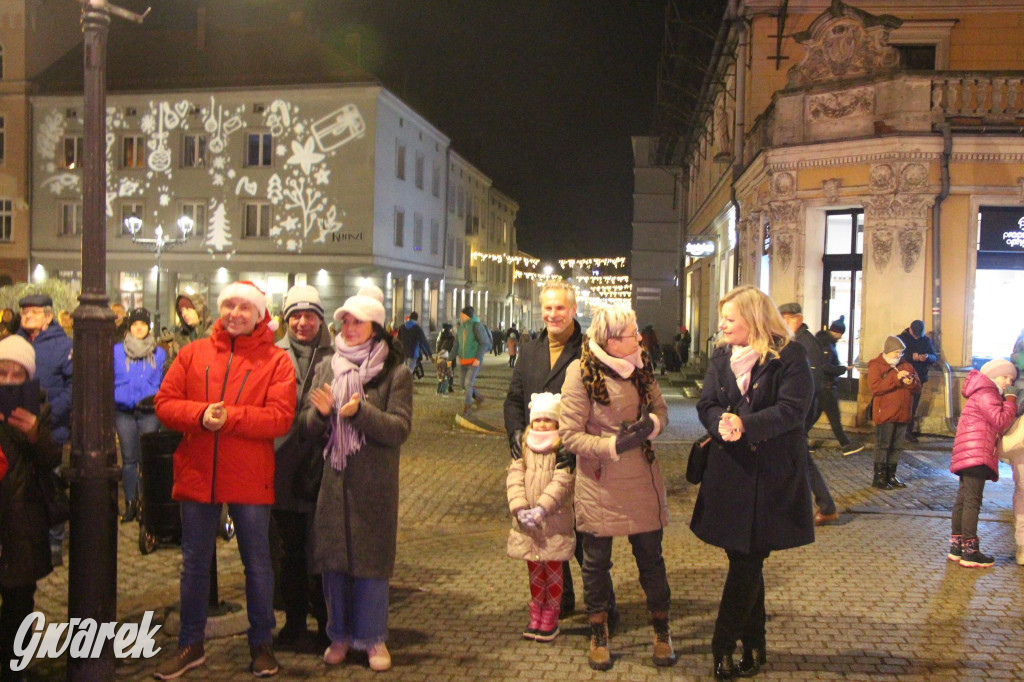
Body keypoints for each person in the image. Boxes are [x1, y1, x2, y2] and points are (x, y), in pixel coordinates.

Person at [153, 281, 295, 680]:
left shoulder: (275, 361)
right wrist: (199, 415)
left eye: (244, 307)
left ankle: (261, 643)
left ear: (258, 315)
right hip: (199, 473)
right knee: (194, 564)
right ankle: (191, 643)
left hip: (250, 476)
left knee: (258, 564)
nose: (235, 313)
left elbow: (281, 417)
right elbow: (164, 403)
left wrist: (229, 417)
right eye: (228, 305)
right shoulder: (193, 353)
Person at [693, 285, 815, 680]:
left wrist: (746, 424)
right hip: (731, 472)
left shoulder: (790, 356)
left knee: (748, 560)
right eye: (722, 318)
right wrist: (719, 423)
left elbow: (794, 410)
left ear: (754, 319)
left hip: (772, 475)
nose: (722, 325)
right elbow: (707, 402)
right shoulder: (721, 357)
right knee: (745, 558)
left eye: (730, 318)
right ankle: (756, 642)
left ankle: (722, 646)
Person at [300, 284, 413, 672]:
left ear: (375, 328)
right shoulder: (324, 367)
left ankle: (372, 638)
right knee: (334, 564)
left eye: (358, 322)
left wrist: (360, 412)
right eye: (344, 321)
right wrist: (321, 413)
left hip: (373, 485)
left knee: (370, 565)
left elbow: (399, 428)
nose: (349, 327)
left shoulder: (395, 373)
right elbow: (306, 426)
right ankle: (340, 635)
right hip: (333, 482)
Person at [559, 305, 675, 671]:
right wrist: (612, 446)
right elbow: (569, 435)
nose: (638, 338)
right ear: (611, 341)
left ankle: (661, 630)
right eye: (631, 334)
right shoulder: (580, 373)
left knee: (651, 561)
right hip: (600, 483)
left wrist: (650, 426)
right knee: (595, 563)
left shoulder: (643, 367)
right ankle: (598, 632)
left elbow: (662, 412)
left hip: (642, 479)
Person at [504, 280, 608, 622]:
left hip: (575, 457)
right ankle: (559, 600)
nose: (552, 314)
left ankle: (602, 606)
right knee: (545, 530)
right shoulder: (530, 350)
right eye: (547, 307)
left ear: (574, 310)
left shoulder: (588, 349)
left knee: (583, 537)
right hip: (537, 459)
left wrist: (576, 442)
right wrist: (516, 432)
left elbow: (599, 403)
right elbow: (514, 398)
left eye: (560, 308)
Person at [271, 285, 333, 652]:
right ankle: (294, 623)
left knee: (321, 551)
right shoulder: (272, 354)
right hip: (281, 467)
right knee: (289, 551)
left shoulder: (336, 354)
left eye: (310, 315)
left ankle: (327, 624)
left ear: (320, 318)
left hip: (322, 467)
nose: (302, 322)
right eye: (295, 315)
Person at [0, 336, 63, 681]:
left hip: (22, 514)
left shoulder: (39, 409)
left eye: (17, 375)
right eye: (2, 372)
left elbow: (52, 458)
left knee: (20, 595)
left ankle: (15, 664)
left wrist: (35, 435)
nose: (9, 380)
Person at [506, 392, 574, 643]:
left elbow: (563, 482)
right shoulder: (524, 447)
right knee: (535, 571)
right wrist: (520, 508)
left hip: (553, 522)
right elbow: (514, 478)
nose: (543, 424)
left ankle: (551, 616)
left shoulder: (561, 448)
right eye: (538, 420)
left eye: (548, 420)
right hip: (528, 525)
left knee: (553, 571)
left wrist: (542, 508)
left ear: (557, 423)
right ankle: (536, 611)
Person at [16, 293, 72, 567]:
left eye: (34, 312)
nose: (27, 316)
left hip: (51, 430)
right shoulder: (13, 344)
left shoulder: (64, 346)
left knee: (51, 484)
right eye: (24, 311)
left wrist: (49, 414)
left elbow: (74, 387)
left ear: (48, 316)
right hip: (14, 429)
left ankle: (53, 541)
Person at [947, 358, 1017, 568]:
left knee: (963, 500)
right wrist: (1011, 401)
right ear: (995, 376)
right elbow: (1000, 421)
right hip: (978, 453)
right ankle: (970, 552)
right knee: (971, 502)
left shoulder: (980, 393)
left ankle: (956, 547)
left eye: (1011, 378)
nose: (1008, 382)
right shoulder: (988, 394)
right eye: (1006, 377)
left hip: (969, 452)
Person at [778, 302, 839, 526]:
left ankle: (825, 506)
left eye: (784, 319)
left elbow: (808, 383)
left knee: (799, 458)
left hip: (800, 412)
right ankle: (817, 505)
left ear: (796, 319)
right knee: (794, 458)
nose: (781, 323)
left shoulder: (805, 344)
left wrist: (796, 412)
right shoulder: (796, 341)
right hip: (795, 411)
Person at [113, 308, 165, 524]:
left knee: (146, 460)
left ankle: (146, 504)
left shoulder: (159, 352)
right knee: (128, 459)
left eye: (143, 324)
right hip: (124, 411)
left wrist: (152, 394)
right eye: (135, 324)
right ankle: (131, 503)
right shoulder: (116, 351)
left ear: (148, 327)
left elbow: (161, 380)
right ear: (129, 327)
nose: (139, 328)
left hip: (148, 411)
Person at [867, 336, 921, 490]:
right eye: (896, 352)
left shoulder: (907, 366)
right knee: (883, 445)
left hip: (903, 413)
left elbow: (918, 386)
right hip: (886, 413)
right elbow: (876, 388)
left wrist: (912, 383)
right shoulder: (876, 365)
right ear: (888, 351)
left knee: (896, 446)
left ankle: (891, 475)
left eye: (901, 352)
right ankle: (879, 477)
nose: (899, 355)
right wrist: (896, 379)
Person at [813, 316, 865, 457]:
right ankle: (846, 444)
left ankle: (802, 441)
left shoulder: (825, 343)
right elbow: (825, 366)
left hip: (823, 386)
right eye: (840, 333)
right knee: (834, 417)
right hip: (826, 387)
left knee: (813, 416)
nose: (840, 336)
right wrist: (842, 369)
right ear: (836, 332)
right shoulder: (827, 345)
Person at [897, 320, 937, 442]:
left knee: (912, 406)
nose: (917, 337)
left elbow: (934, 356)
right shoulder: (900, 339)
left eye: (919, 336)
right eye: (915, 335)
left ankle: (908, 432)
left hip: (919, 378)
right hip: (903, 377)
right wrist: (911, 356)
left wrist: (927, 357)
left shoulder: (925, 340)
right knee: (901, 405)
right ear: (910, 329)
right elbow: (895, 356)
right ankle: (897, 431)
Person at [453, 305, 491, 416]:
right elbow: (456, 344)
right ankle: (478, 397)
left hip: (474, 360)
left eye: (462, 315)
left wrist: (478, 358)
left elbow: (485, 343)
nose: (460, 316)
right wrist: (451, 358)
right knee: (462, 383)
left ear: (466, 315)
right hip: (463, 361)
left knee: (468, 383)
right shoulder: (461, 328)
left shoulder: (476, 326)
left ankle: (467, 407)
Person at [396, 311, 432, 376]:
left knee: (404, 368)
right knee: (410, 370)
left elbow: (398, 340)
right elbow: (423, 342)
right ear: (416, 319)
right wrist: (429, 354)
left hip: (403, 352)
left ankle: (403, 379)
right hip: (413, 353)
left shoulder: (402, 327)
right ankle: (406, 381)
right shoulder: (417, 328)